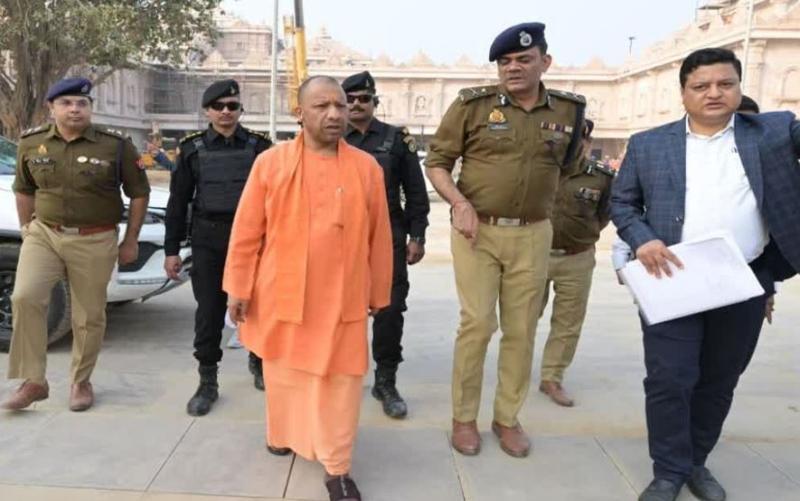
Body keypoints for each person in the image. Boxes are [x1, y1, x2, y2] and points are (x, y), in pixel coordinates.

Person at [611, 48, 799, 501]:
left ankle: (695, 462)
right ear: (683, 93)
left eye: (725, 84)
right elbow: (622, 203)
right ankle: (668, 472)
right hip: (672, 278)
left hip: (743, 280)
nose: (714, 93)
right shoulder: (649, 144)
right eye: (701, 86)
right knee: (669, 379)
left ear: (739, 87)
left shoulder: (774, 132)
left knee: (719, 379)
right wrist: (642, 239)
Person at [223, 75, 393, 501]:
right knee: (283, 373)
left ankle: (337, 467)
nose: (335, 114)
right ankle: (282, 434)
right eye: (322, 106)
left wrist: (379, 291)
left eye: (340, 105)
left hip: (342, 297)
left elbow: (379, 235)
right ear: (300, 113)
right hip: (282, 292)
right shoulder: (271, 163)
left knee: (341, 382)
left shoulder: (366, 168)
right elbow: (247, 231)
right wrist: (238, 287)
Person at [425, 22, 586, 458]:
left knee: (521, 330)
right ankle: (464, 418)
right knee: (477, 324)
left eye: (523, 60)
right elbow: (437, 162)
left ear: (545, 62)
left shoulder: (569, 111)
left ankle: (507, 418)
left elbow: (569, 167)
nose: (513, 68)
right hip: (477, 231)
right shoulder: (472, 106)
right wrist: (459, 202)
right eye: (505, 62)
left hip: (533, 233)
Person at [3, 77, 150, 412]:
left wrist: (131, 239)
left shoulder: (115, 146)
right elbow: (24, 189)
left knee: (88, 314)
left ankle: (80, 381)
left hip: (95, 237)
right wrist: (27, 228)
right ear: (51, 108)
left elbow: (139, 193)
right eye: (66, 103)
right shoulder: (32, 142)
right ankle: (33, 381)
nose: (75, 109)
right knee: (25, 297)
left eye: (82, 103)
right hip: (45, 234)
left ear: (90, 108)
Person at [164, 79, 272, 416]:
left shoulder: (260, 147)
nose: (226, 112)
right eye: (219, 106)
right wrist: (171, 250)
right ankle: (207, 380)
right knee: (209, 311)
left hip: (253, 241)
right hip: (209, 239)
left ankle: (260, 362)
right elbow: (178, 202)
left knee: (258, 307)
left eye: (232, 106)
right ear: (207, 111)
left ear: (241, 110)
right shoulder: (192, 149)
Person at [341, 70, 430, 419]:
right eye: (350, 100)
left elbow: (416, 192)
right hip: (340, 237)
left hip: (387, 235)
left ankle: (386, 381)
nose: (356, 105)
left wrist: (417, 235)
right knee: (337, 310)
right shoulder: (332, 139)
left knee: (389, 310)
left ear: (374, 102)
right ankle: (338, 378)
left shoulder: (396, 140)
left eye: (364, 99)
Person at [538, 119, 614, 407]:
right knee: (522, 318)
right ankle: (514, 374)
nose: (571, 146)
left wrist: (581, 235)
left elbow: (604, 215)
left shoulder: (602, 177)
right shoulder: (539, 170)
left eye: (579, 141)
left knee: (568, 323)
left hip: (577, 258)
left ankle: (552, 378)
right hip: (535, 256)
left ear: (587, 143)